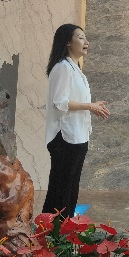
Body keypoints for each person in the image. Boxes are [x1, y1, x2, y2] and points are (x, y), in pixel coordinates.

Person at [43, 24, 109, 218]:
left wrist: (92, 106)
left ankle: (64, 229)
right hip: (65, 138)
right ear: (67, 42)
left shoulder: (76, 70)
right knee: (61, 192)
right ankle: (53, 231)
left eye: (85, 38)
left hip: (78, 136)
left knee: (70, 191)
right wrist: (90, 106)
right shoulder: (62, 68)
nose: (86, 42)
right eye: (80, 37)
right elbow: (59, 102)